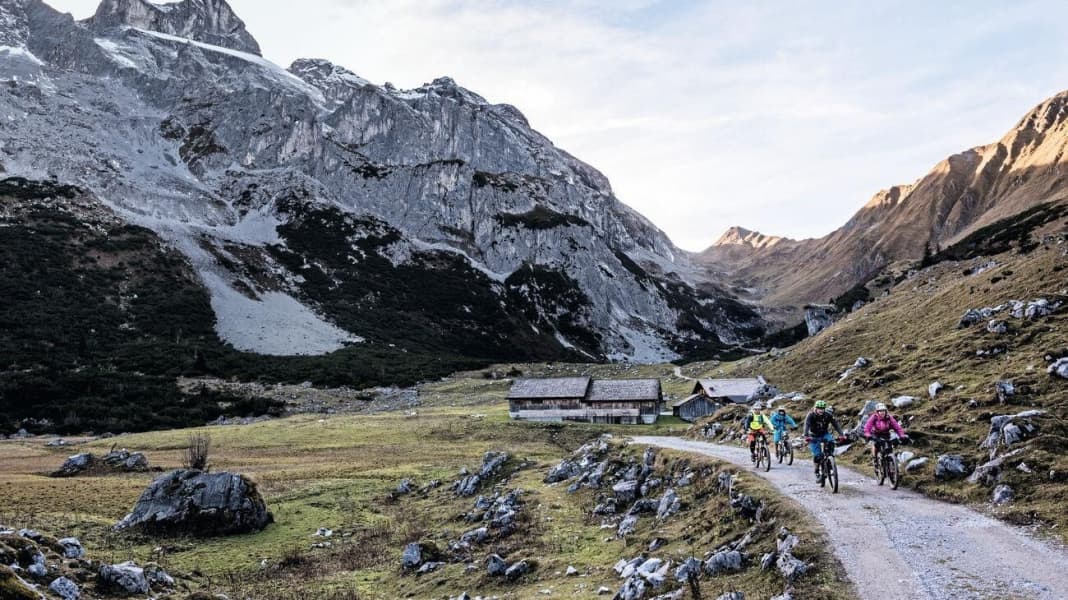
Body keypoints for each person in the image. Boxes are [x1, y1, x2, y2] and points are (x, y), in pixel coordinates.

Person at [803, 400, 844, 481]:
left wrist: (841, 434)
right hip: (813, 436)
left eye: (822, 408)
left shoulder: (828, 415)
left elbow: (836, 424)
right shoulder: (811, 415)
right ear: (815, 408)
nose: (821, 410)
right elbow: (806, 425)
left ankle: (830, 459)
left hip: (824, 433)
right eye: (819, 408)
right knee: (818, 456)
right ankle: (817, 471)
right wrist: (806, 436)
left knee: (831, 441)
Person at [863, 403, 908, 467]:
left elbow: (897, 428)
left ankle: (892, 463)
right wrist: (868, 435)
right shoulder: (874, 417)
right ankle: (875, 459)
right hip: (876, 434)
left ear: (886, 411)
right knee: (876, 444)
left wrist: (902, 436)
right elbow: (867, 427)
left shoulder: (889, 418)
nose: (882, 412)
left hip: (886, 433)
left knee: (889, 448)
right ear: (877, 412)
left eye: (883, 411)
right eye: (880, 411)